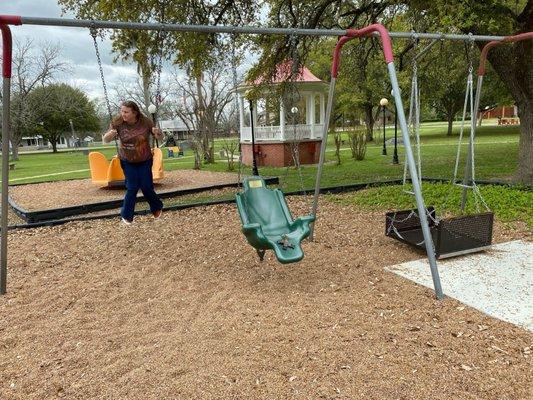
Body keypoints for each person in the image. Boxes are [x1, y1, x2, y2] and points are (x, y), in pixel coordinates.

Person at [103, 100, 164, 225]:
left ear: (134, 112)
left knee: (147, 186)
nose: (123, 114)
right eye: (122, 111)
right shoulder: (118, 122)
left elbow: (160, 137)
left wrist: (158, 133)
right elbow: (105, 140)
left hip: (144, 160)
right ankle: (127, 216)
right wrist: (110, 134)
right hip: (127, 160)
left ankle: (157, 207)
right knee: (132, 187)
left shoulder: (145, 122)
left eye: (126, 112)